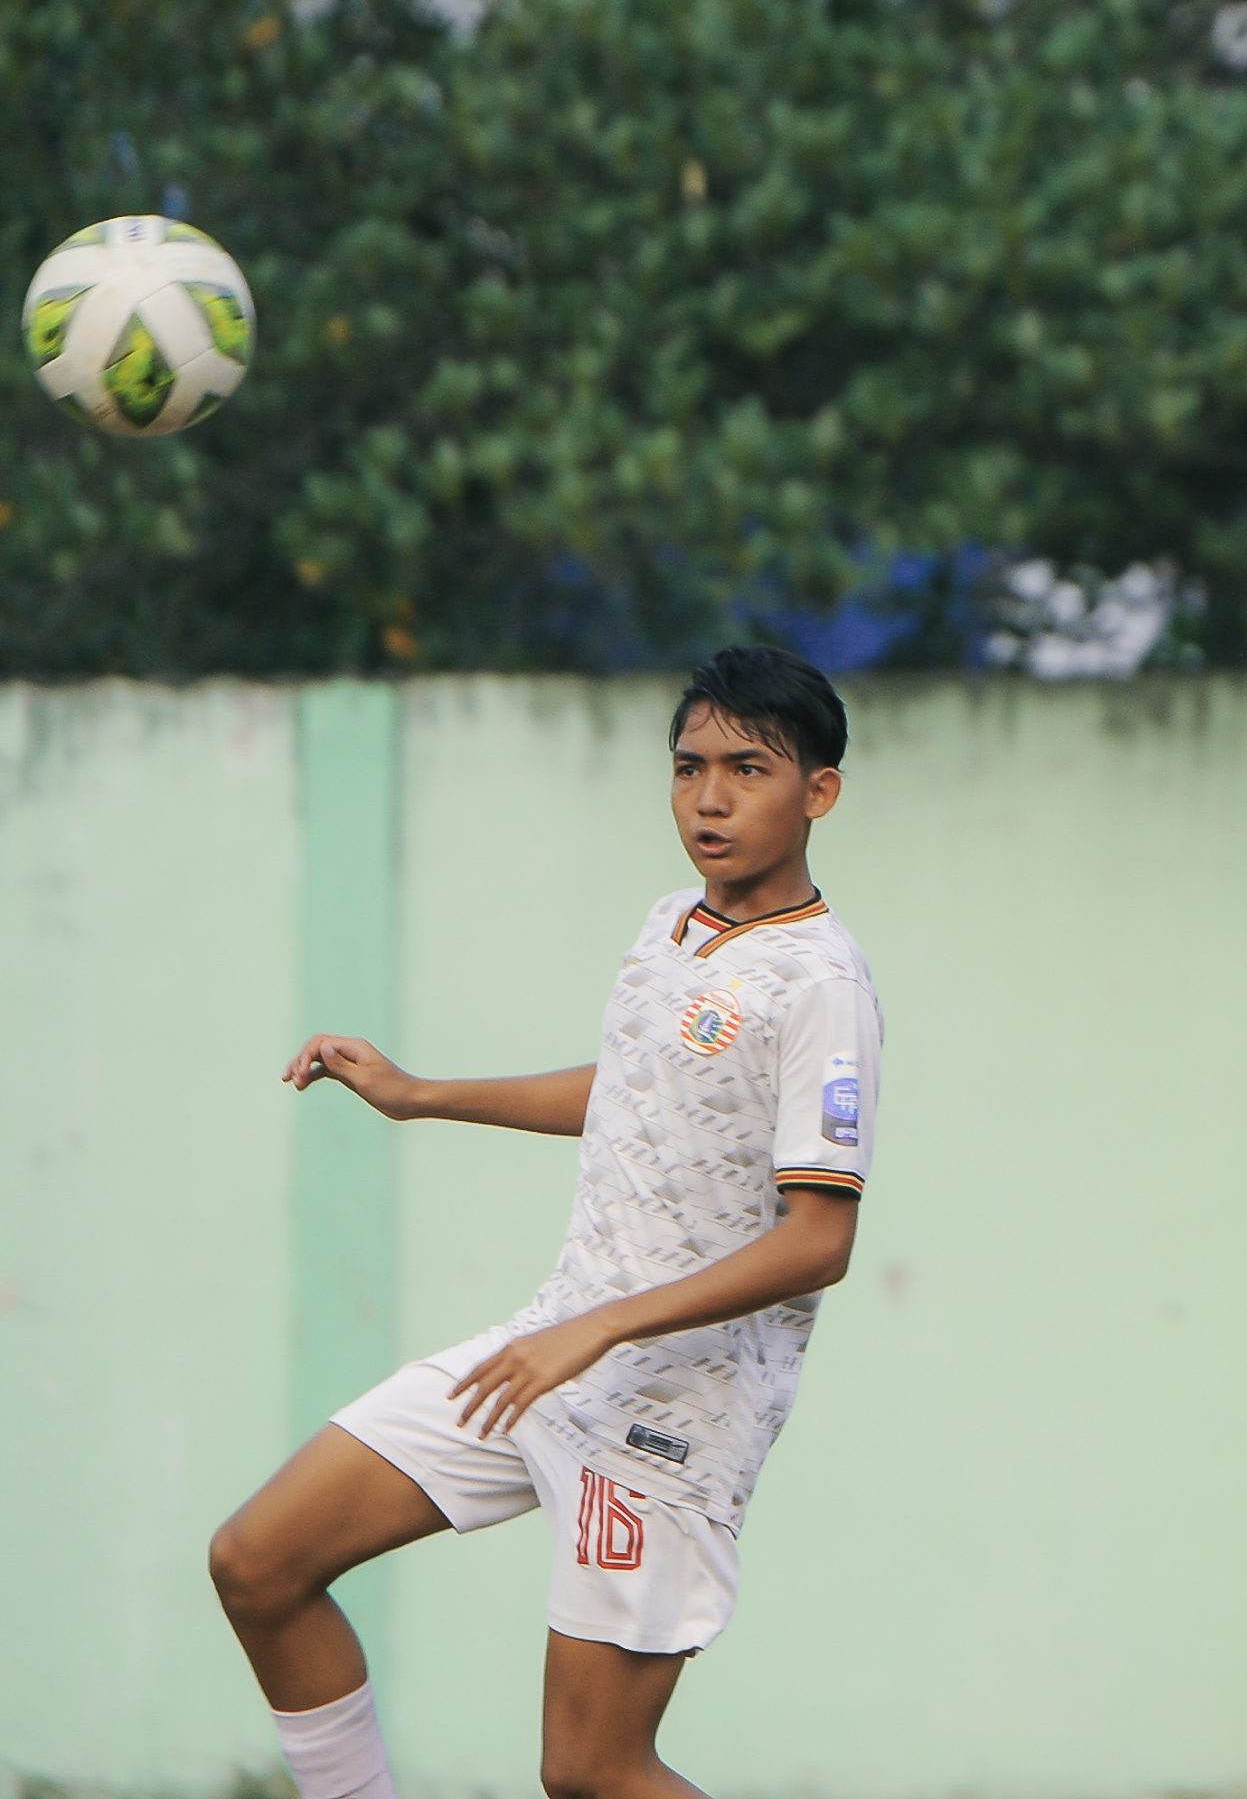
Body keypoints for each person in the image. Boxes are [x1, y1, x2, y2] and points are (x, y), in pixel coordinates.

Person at [208, 645, 882, 1799]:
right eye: (689, 766)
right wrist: (421, 1093)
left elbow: (820, 1238)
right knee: (259, 1562)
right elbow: (637, 1093)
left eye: (748, 769)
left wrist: (603, 1326)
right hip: (549, 1352)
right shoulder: (673, 925)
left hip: (669, 1412)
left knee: (591, 1771)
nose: (710, 798)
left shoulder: (821, 983)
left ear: (818, 790)